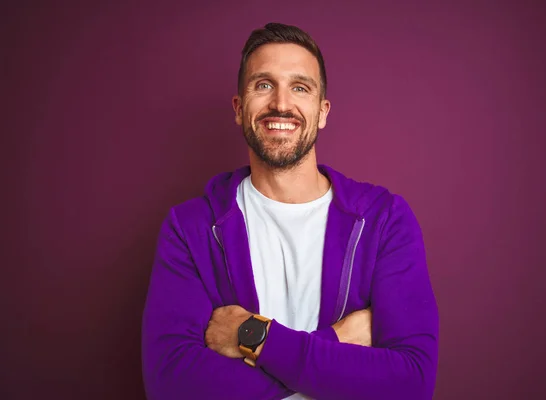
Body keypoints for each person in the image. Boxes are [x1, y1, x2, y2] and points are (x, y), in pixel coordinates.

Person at [141, 22, 439, 400]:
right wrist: (335, 341)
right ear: (238, 107)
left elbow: (411, 383)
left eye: (300, 87)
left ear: (322, 111)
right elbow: (171, 385)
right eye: (263, 85)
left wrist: (254, 338)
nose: (281, 104)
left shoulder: (384, 220)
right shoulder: (190, 228)